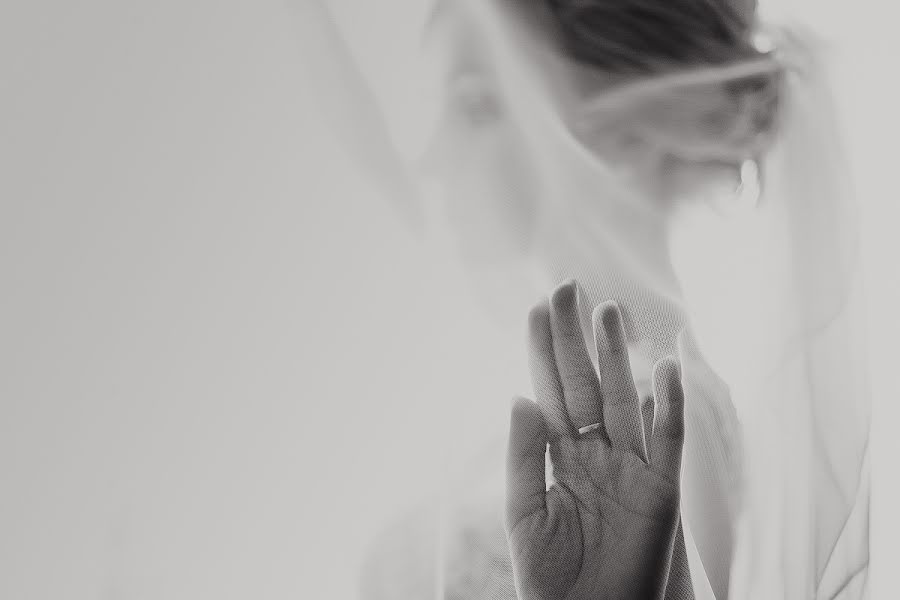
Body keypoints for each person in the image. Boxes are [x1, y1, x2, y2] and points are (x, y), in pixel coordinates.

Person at [302, 0, 870, 597]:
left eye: (476, 105)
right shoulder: (584, 422)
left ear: (626, 126)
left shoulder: (669, 432)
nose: (433, 154)